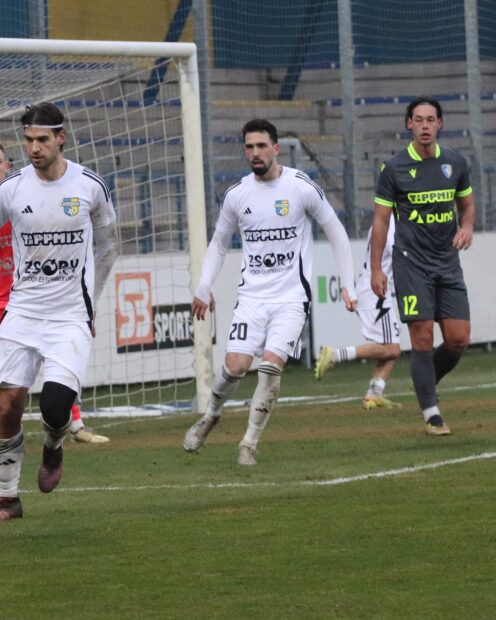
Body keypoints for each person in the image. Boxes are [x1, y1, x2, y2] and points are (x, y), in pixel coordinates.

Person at [0, 103, 118, 522]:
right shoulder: (12, 188)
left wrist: (91, 301)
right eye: (28, 140)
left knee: (56, 408)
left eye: (42, 139)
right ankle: (8, 499)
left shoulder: (90, 186)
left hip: (69, 317)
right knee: (7, 405)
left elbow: (109, 247)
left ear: (61, 138)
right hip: (21, 314)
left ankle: (53, 447)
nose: (34, 148)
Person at [183, 119, 356, 465]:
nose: (255, 153)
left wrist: (348, 284)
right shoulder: (237, 195)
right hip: (252, 298)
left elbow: (335, 230)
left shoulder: (300, 187)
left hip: (291, 299)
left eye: (261, 146)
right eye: (249, 147)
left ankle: (248, 443)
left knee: (271, 366)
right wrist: (203, 286)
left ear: (276, 148)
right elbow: (219, 244)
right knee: (235, 366)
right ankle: (211, 415)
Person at [0, 141, 110, 451]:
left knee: (57, 359)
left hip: (29, 297)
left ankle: (74, 424)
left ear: (7, 166)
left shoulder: (27, 196)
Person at [369, 96, 475, 436]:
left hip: (447, 261)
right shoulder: (394, 168)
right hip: (411, 263)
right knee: (423, 335)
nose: (425, 126)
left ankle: (425, 382)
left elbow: (467, 206)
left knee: (458, 338)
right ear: (409, 124)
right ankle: (432, 414)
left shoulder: (455, 162)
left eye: (431, 119)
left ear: (440, 124)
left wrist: (467, 227)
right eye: (419, 120)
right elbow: (381, 221)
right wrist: (376, 268)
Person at [314, 214, 402, 409]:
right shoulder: (391, 224)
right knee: (392, 349)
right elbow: (396, 251)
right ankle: (335, 355)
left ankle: (374, 394)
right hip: (376, 292)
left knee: (390, 347)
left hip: (376, 290)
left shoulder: (389, 221)